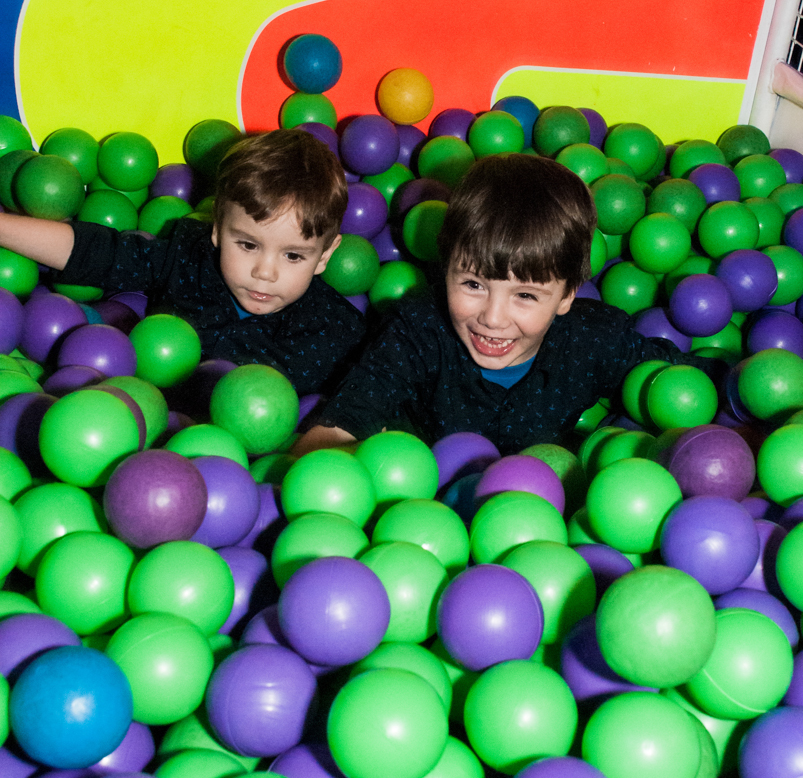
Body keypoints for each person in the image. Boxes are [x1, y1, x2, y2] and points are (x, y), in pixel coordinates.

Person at [296, 152, 721, 455]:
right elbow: (343, 421)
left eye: (525, 296)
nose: (492, 318)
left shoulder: (592, 344)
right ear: (445, 269)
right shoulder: (418, 331)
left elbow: (683, 386)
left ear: (567, 294)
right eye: (474, 285)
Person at [0, 129, 367, 396]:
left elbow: (371, 399)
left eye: (292, 256)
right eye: (247, 245)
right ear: (217, 231)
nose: (265, 272)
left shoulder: (335, 333)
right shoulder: (188, 258)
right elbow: (99, 253)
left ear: (324, 256)